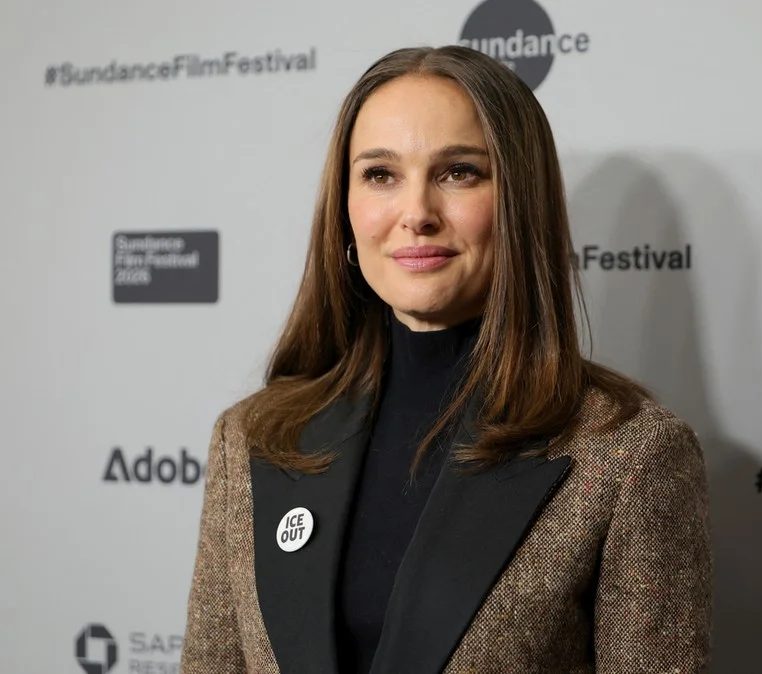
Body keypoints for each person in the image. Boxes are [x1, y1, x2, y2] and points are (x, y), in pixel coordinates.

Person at [180, 45, 712, 674]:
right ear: (345, 209)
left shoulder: (628, 454)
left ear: (521, 202)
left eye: (459, 172)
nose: (416, 215)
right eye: (380, 175)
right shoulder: (251, 437)